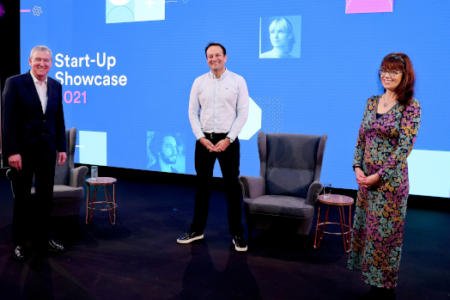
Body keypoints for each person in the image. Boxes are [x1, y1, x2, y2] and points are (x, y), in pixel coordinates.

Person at [348, 53, 421, 299]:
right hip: (366, 181)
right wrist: (357, 167)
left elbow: (403, 148)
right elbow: (361, 138)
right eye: (384, 70)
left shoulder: (411, 106)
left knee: (386, 237)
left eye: (394, 72)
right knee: (369, 233)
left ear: (405, 76)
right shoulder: (371, 102)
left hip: (390, 184)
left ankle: (385, 289)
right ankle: (373, 284)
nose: (387, 75)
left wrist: (378, 176)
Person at [177, 42, 249, 252]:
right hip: (204, 142)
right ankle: (196, 230)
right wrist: (201, 138)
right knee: (202, 189)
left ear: (225, 57)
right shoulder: (199, 82)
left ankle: (237, 234)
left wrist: (229, 139)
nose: (214, 59)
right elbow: (192, 112)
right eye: (210, 56)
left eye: (217, 55)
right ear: (206, 59)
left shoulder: (238, 81)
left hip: (229, 141)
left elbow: (243, 113)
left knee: (232, 189)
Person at [1, 45, 67, 262]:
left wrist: (62, 147)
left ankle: (43, 239)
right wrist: (11, 152)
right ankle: (20, 242)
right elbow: (7, 120)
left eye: (46, 60)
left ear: (51, 63)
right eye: (38, 59)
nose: (42, 64)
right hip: (22, 154)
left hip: (47, 152)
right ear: (30, 61)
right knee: (22, 198)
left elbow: (58, 119)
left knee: (45, 198)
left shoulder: (56, 85)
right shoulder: (15, 83)